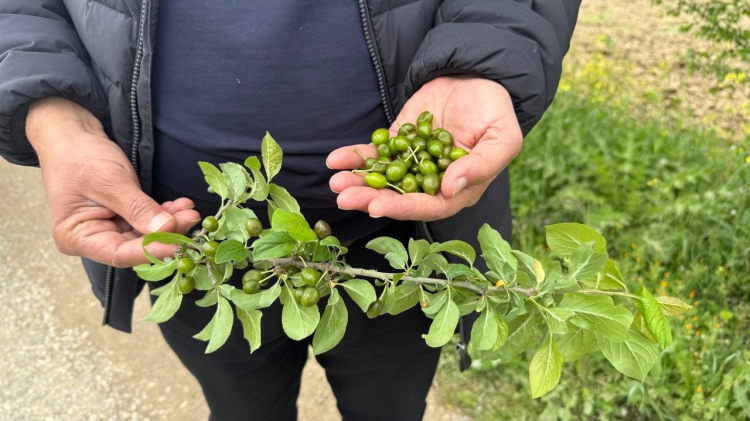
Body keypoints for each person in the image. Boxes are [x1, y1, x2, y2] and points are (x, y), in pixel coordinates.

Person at [0, 1, 580, 420]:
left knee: (391, 408)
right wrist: (55, 118)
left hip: (407, 252)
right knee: (240, 409)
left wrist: (479, 60)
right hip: (195, 247)